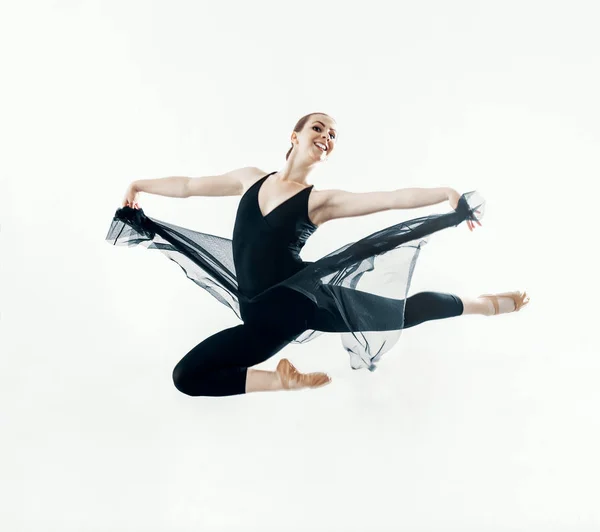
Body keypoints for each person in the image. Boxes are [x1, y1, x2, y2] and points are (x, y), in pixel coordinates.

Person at [109, 112, 529, 397]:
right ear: (294, 136)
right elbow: (187, 185)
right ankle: (281, 381)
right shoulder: (248, 179)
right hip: (258, 316)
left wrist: (444, 194)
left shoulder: (319, 202)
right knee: (186, 378)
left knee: (400, 311)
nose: (326, 137)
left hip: (294, 301)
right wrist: (139, 184)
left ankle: (486, 305)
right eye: (318, 128)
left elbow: (388, 198)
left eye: (332, 136)